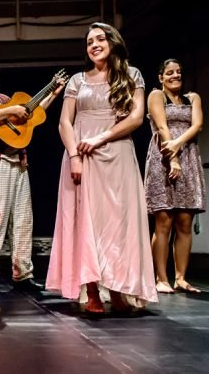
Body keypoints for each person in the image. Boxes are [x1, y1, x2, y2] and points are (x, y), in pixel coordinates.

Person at [46, 22, 158, 313]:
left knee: (118, 223)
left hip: (117, 153)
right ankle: (93, 290)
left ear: (112, 41)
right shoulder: (77, 80)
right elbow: (64, 122)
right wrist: (74, 156)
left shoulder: (132, 75)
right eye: (89, 42)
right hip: (82, 155)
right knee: (86, 221)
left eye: (99, 39)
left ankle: (119, 290)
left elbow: (136, 118)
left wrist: (101, 138)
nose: (94, 45)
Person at [0, 55, 63, 290]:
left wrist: (52, 95)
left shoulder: (5, 99)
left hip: (18, 162)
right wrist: (11, 111)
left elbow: (32, 116)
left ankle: (23, 274)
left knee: (23, 219)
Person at [144, 59, 205, 294]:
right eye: (169, 72)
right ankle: (161, 278)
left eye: (178, 72)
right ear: (161, 77)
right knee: (164, 221)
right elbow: (162, 127)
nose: (175, 75)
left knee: (185, 222)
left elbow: (197, 125)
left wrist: (178, 144)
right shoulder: (156, 95)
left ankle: (181, 278)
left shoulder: (193, 98)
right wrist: (173, 158)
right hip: (163, 158)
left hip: (188, 159)